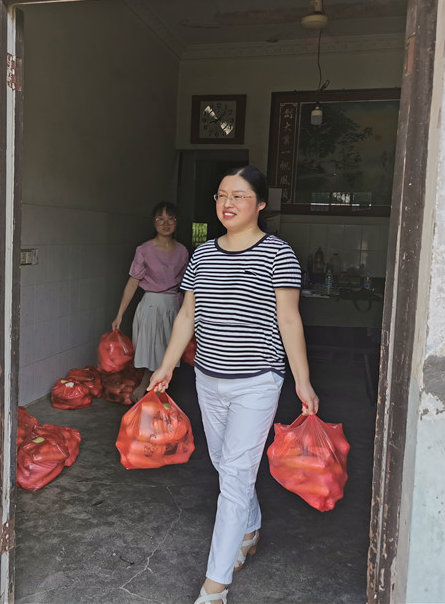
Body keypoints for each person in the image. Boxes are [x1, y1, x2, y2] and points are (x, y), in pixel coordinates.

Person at [146, 166, 319, 604]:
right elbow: (188, 315)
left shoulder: (278, 254)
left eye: (239, 196)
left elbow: (289, 319)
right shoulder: (203, 255)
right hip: (208, 378)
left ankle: (215, 586)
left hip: (257, 382)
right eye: (222, 195)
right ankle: (251, 527)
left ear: (260, 204)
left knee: (236, 478)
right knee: (226, 465)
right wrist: (166, 366)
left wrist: (303, 381)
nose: (228, 203)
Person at [112, 201, 189, 401]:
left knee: (169, 352)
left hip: (174, 306)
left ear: (177, 221)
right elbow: (133, 282)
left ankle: (149, 395)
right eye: (160, 219)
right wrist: (120, 314)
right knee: (153, 352)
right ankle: (147, 394)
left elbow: (188, 285)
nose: (165, 223)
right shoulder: (144, 250)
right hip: (151, 307)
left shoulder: (182, 251)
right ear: (153, 222)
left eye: (170, 219)